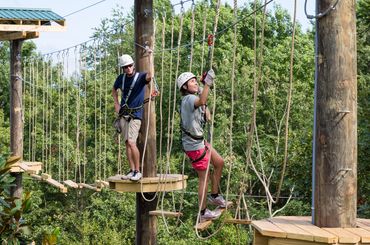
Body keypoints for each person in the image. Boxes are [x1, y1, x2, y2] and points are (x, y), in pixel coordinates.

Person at [177, 69, 227, 221]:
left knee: (219, 162)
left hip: (199, 142)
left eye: (195, 80)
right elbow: (202, 101)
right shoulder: (188, 100)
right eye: (192, 81)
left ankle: (214, 195)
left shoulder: (192, 97)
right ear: (184, 87)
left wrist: (202, 87)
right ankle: (203, 212)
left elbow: (204, 107)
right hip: (194, 146)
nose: (195, 83)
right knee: (203, 178)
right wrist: (207, 84)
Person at [112, 53, 152, 181]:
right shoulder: (121, 78)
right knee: (127, 143)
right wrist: (116, 103)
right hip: (124, 114)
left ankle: (137, 171)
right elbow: (114, 90)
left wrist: (150, 58)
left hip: (135, 115)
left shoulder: (140, 77)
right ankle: (132, 170)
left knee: (131, 142)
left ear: (133, 65)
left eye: (130, 66)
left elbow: (150, 76)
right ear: (123, 68)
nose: (128, 68)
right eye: (125, 67)